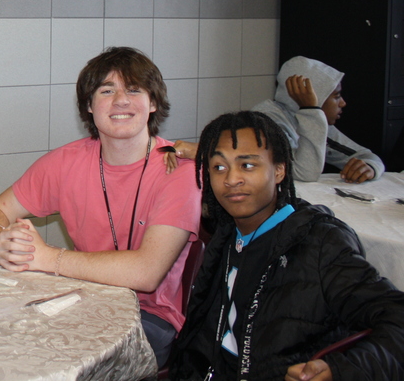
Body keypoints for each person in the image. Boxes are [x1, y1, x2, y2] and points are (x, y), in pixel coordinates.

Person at [0, 47, 202, 366]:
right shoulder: (66, 162)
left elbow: (146, 272)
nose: (121, 100)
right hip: (82, 299)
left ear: (152, 103)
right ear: (89, 106)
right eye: (106, 91)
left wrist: (48, 258)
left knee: (43, 357)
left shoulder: (179, 171)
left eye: (134, 89)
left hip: (150, 321)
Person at [170, 110, 404, 380]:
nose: (231, 179)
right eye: (219, 167)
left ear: (279, 170)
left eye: (247, 165)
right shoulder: (226, 233)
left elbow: (397, 318)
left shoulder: (320, 243)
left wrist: (339, 370)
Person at [253, 56, 384, 183]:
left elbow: (364, 155)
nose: (343, 103)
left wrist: (370, 166)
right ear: (313, 97)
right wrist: (311, 110)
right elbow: (303, 174)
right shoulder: (266, 122)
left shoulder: (309, 119)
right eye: (336, 96)